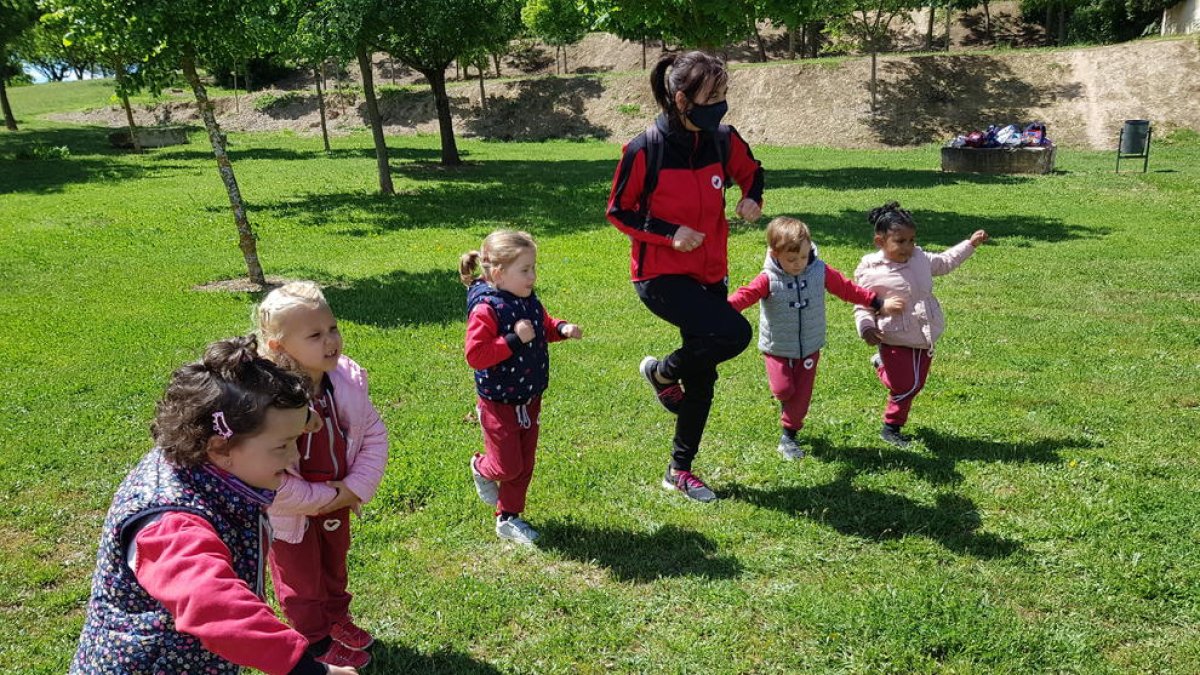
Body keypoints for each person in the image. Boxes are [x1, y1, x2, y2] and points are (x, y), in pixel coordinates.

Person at [71, 336, 358, 675]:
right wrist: (307, 669)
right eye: (283, 445)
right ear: (221, 446)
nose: (295, 455)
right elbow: (212, 604)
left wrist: (299, 419)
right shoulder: (170, 525)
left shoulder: (201, 453)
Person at [606, 51, 764, 502]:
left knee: (705, 369)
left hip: (710, 273)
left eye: (724, 94)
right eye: (711, 95)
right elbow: (619, 211)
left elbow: (753, 173)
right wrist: (670, 234)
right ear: (681, 98)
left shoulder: (723, 140)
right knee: (733, 332)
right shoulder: (644, 149)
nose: (721, 104)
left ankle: (680, 469)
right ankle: (661, 374)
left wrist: (752, 198)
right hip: (660, 277)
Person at [256, 281, 389, 669]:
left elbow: (374, 435)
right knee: (301, 580)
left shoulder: (345, 381)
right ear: (279, 346)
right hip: (291, 514)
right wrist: (326, 498)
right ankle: (313, 641)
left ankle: (337, 618)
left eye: (332, 328)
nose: (330, 340)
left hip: (337, 498)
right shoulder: (268, 404)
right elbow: (271, 479)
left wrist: (353, 489)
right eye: (315, 335)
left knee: (333, 564)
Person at [728, 216, 904, 459]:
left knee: (801, 396)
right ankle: (786, 404)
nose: (799, 263)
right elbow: (745, 296)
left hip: (810, 346)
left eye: (803, 256)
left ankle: (789, 436)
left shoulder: (819, 271)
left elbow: (846, 288)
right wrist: (720, 311)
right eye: (791, 259)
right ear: (774, 253)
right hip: (777, 346)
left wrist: (876, 302)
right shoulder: (768, 279)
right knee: (783, 390)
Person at [460, 230, 582, 544]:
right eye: (525, 270)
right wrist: (513, 340)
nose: (533, 276)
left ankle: (508, 518)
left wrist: (561, 329)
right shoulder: (486, 308)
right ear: (498, 273)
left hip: (529, 397)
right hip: (499, 401)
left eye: (533, 268)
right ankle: (480, 466)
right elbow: (476, 355)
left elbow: (542, 326)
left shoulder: (527, 301)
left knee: (524, 465)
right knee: (506, 465)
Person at [853, 201, 989, 447]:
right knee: (907, 385)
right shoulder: (871, 271)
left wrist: (970, 245)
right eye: (900, 242)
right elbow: (863, 304)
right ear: (880, 242)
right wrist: (867, 327)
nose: (908, 247)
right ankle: (891, 427)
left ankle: (881, 367)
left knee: (916, 383)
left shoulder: (920, 258)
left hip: (924, 332)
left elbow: (945, 262)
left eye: (911, 240)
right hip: (892, 335)